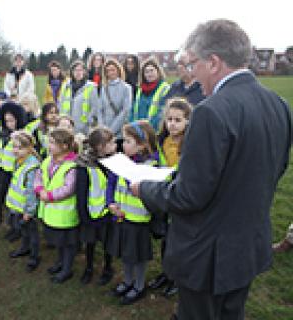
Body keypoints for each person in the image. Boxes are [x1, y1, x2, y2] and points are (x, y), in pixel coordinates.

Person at [130, 19, 292, 320]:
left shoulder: (210, 112)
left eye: (192, 64)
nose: (191, 73)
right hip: (247, 246)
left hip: (207, 255)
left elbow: (188, 197)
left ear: (214, 62)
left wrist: (143, 188)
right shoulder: (279, 104)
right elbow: (275, 170)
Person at [108, 121, 158, 305]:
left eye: (128, 141)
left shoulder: (151, 165)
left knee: (137, 256)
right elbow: (112, 184)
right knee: (126, 253)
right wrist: (111, 204)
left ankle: (139, 285)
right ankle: (127, 281)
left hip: (139, 220)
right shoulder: (123, 161)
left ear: (142, 145)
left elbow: (153, 194)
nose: (123, 145)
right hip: (123, 217)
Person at [148, 97, 192, 298]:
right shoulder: (162, 140)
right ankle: (166, 273)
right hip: (164, 191)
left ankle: (177, 278)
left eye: (178, 120)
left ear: (187, 122)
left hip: (180, 195)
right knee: (165, 238)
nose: (172, 124)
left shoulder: (190, 143)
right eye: (169, 119)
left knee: (178, 240)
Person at [35, 128, 78, 284]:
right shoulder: (48, 160)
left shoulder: (72, 166)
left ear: (65, 146)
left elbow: (69, 188)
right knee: (59, 242)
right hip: (52, 213)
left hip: (66, 216)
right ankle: (60, 263)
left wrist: (50, 195)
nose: (49, 145)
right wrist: (39, 190)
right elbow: (38, 176)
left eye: (53, 143)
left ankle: (67, 269)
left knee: (67, 243)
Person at [76, 127, 117, 286]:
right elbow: (81, 192)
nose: (115, 145)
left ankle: (108, 268)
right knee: (90, 242)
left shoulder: (115, 162)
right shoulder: (84, 165)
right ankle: (89, 267)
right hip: (91, 213)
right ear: (100, 146)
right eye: (111, 142)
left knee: (108, 243)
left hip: (108, 212)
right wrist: (83, 215)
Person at [7, 130, 42, 272]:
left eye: (19, 148)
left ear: (29, 149)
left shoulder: (32, 167)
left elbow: (31, 192)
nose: (15, 150)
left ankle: (34, 256)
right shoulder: (19, 162)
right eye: (14, 147)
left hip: (27, 210)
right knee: (24, 231)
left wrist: (29, 211)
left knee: (32, 233)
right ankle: (24, 248)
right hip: (18, 207)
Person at [0, 101, 27, 241]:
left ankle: (19, 229)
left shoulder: (22, 135)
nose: (9, 123)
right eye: (6, 120)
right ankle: (12, 226)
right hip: (4, 171)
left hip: (16, 174)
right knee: (8, 201)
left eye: (12, 120)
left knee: (17, 203)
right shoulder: (4, 134)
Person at [58, 60, 100, 136]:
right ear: (72, 72)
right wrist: (62, 121)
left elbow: (95, 108)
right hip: (66, 126)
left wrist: (88, 121)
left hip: (84, 128)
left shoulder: (91, 86)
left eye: (80, 70)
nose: (78, 72)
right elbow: (60, 104)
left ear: (84, 72)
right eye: (76, 70)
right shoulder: (65, 86)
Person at [130, 57, 170, 132]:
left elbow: (162, 113)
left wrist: (147, 129)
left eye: (152, 71)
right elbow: (133, 111)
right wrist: (134, 127)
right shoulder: (140, 90)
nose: (149, 74)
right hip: (137, 132)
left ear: (158, 71)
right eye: (146, 72)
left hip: (154, 132)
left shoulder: (165, 88)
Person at [98, 58, 132, 138]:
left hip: (119, 132)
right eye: (108, 71)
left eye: (113, 70)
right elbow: (100, 110)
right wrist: (102, 128)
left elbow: (125, 111)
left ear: (118, 70)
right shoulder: (104, 88)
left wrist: (111, 130)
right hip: (104, 132)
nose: (110, 72)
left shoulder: (126, 87)